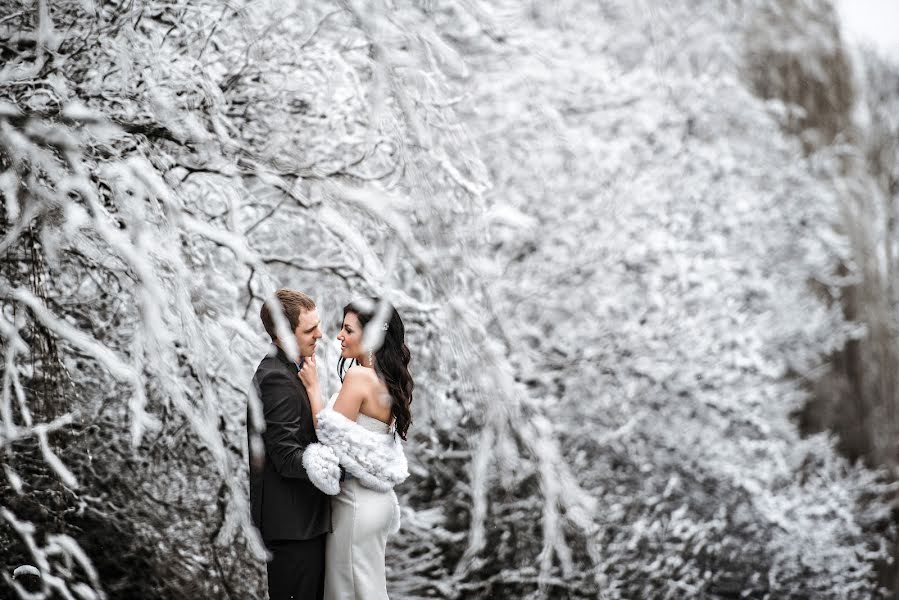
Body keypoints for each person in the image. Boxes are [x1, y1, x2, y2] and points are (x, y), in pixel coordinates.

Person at [298, 299, 413, 600]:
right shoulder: (388, 382)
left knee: (346, 591)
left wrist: (312, 389)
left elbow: (330, 438)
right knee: (370, 589)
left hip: (356, 504)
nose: (339, 336)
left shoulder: (359, 376)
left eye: (348, 329)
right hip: (379, 503)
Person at [248, 289, 339, 600]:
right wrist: (334, 465)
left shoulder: (292, 370)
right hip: (292, 529)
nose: (320, 334)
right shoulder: (276, 379)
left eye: (318, 325)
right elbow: (286, 456)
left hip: (301, 524)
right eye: (309, 329)